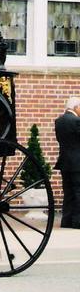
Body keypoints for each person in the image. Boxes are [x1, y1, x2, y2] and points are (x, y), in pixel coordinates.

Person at [55, 96, 80, 229]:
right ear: (76, 107)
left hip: (65, 161)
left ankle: (66, 221)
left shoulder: (58, 121)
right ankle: (77, 222)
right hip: (77, 162)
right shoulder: (77, 121)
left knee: (68, 192)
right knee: (78, 192)